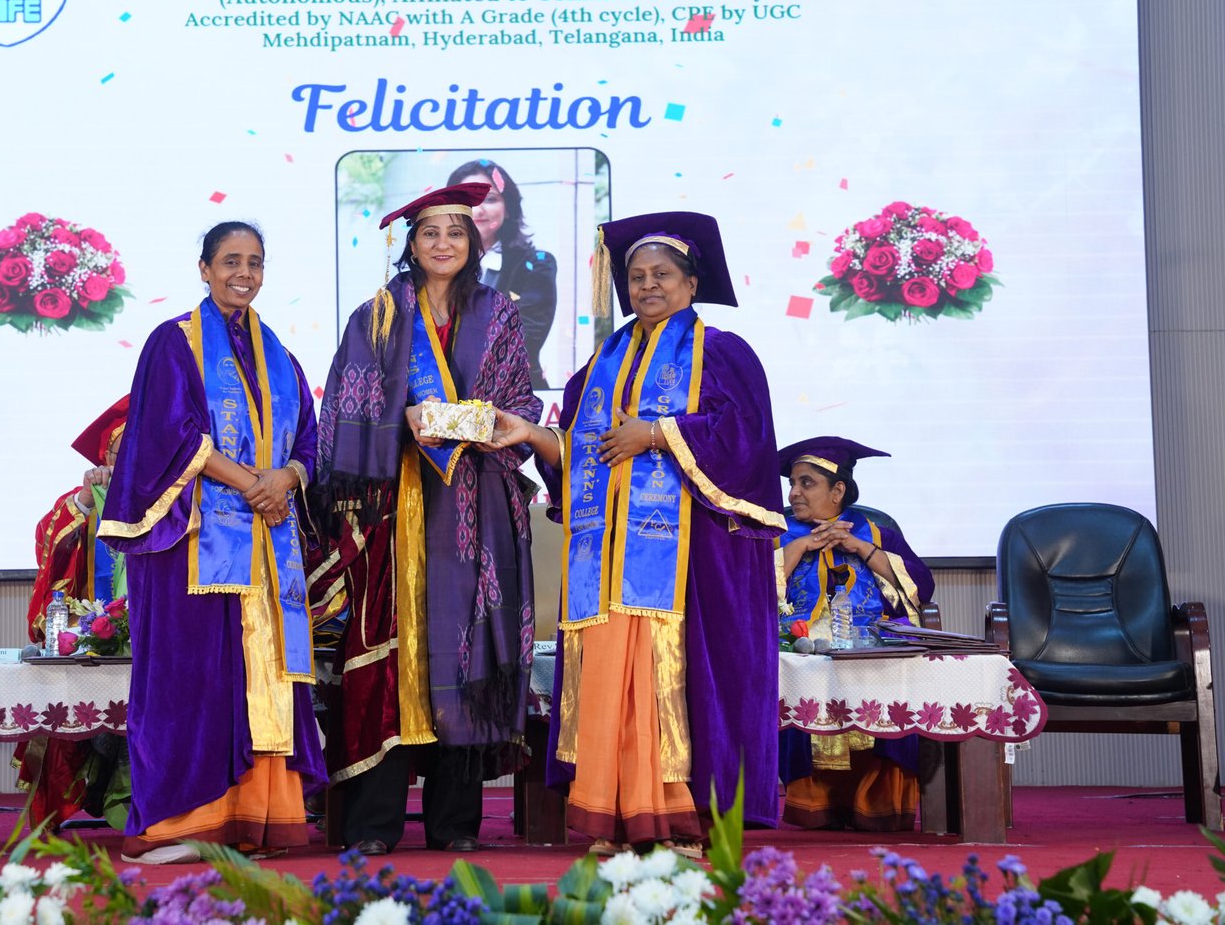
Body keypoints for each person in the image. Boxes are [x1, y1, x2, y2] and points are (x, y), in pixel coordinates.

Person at [482, 211, 786, 846]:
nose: (648, 285)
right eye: (637, 276)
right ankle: (622, 814)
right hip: (605, 561)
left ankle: (680, 817)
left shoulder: (723, 353)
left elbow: (746, 440)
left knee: (672, 680)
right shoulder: (603, 361)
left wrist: (656, 433)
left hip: (691, 563)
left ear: (691, 283)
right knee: (610, 680)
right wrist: (533, 434)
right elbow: (579, 453)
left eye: (662, 274)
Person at [309, 181, 541, 855]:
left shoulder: (498, 312)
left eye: (455, 233)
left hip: (477, 505)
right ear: (410, 244)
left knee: (466, 650)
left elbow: (519, 399)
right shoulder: (378, 316)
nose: (443, 244)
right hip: (397, 507)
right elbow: (343, 408)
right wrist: (400, 419)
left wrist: (492, 424)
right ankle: (374, 823)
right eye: (430, 233)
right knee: (394, 657)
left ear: (474, 243)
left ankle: (454, 823)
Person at [97, 221, 325, 865]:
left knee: (260, 678)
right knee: (191, 687)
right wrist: (255, 483)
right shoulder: (174, 343)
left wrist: (285, 478)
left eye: (255, 262)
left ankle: (253, 819)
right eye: (230, 261)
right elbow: (173, 435)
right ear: (204, 268)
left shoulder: (281, 356)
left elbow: (309, 441)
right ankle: (178, 826)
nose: (243, 273)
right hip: (191, 550)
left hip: (267, 549)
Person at [776, 437, 934, 831]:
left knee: (890, 673)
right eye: (792, 483)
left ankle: (876, 803)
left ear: (838, 490)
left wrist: (859, 547)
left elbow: (921, 586)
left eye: (806, 483)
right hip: (802, 644)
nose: (794, 493)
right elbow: (749, 586)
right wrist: (800, 546)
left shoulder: (877, 533)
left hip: (871, 644)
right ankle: (817, 803)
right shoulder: (777, 532)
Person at [15, 396, 133, 831]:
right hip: (94, 634)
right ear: (104, 457)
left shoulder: (172, 499)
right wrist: (86, 500)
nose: (131, 458)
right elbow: (49, 545)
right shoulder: (82, 500)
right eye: (121, 450)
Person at [447, 159, 558, 388]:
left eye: (490, 199)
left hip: (515, 393)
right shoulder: (435, 266)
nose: (479, 209)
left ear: (508, 208)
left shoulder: (537, 265)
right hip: (443, 395)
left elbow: (525, 339)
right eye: (467, 200)